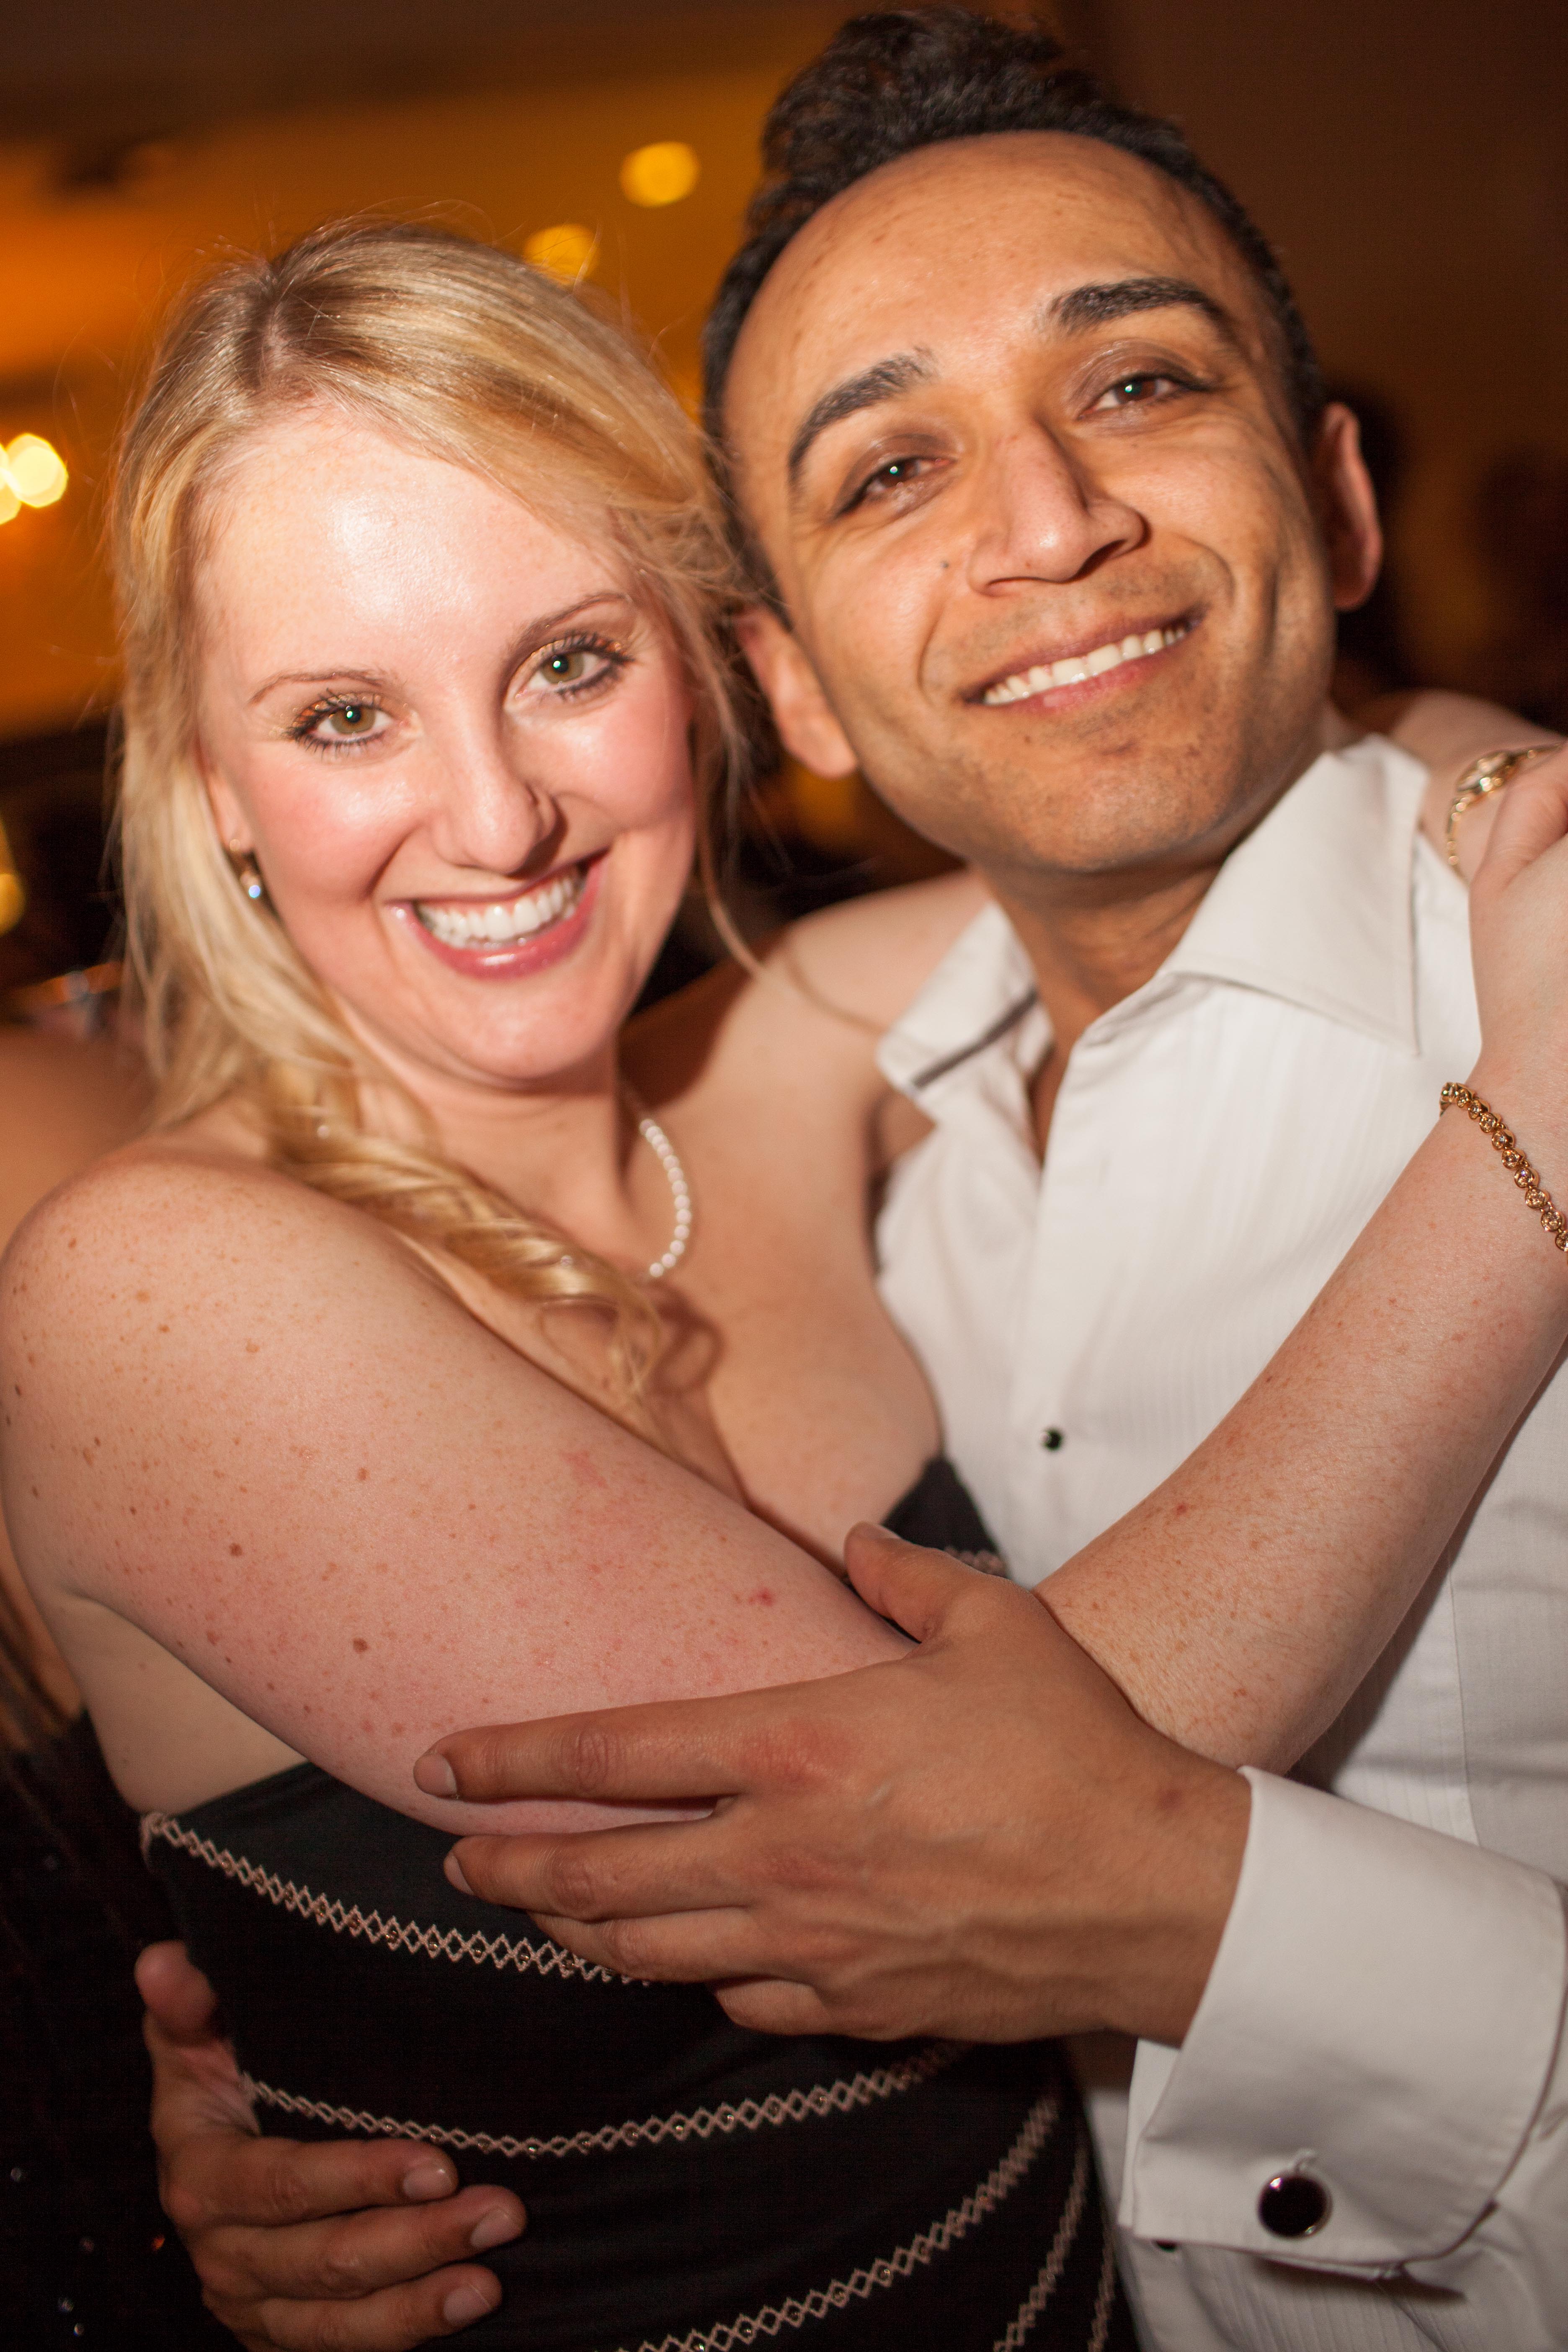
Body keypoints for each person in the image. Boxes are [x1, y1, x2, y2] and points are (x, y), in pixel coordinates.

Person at [2, 195, 1563, 2352]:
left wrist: (1512, 780)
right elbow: (983, 1827)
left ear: (723, 672)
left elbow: (1300, 791)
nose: (497, 820)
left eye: (568, 664)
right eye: (345, 717)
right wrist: (1534, 1141)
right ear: (212, 788)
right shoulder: (157, 1288)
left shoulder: (783, 1064)